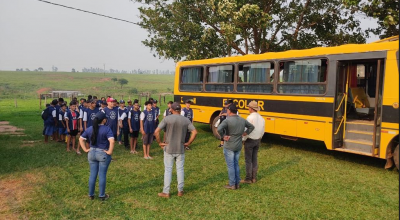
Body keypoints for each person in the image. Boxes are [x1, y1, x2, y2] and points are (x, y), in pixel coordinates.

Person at [154, 102, 197, 198]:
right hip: (180, 148)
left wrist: (160, 142)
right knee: (180, 169)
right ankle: (180, 191)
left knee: (168, 170)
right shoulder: (186, 120)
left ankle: (166, 192)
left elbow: (156, 132)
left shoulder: (167, 119)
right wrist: (188, 143)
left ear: (171, 110)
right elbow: (194, 132)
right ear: (180, 110)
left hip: (169, 148)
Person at [79, 111, 115, 201]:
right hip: (102, 153)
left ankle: (91, 194)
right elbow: (112, 141)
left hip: (91, 153)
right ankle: (102, 195)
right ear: (104, 120)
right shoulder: (107, 129)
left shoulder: (90, 128)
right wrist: (110, 151)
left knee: (92, 174)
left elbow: (81, 139)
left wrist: (85, 149)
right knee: (102, 175)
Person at [217, 104, 254, 190]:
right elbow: (251, 127)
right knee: (236, 164)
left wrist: (223, 136)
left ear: (229, 111)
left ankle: (232, 184)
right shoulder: (242, 120)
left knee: (230, 166)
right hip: (238, 145)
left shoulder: (227, 120)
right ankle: (237, 183)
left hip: (229, 145)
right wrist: (245, 133)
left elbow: (219, 129)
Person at [241, 101, 265, 184]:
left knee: (248, 160)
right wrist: (259, 138)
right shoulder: (262, 118)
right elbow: (262, 131)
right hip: (257, 140)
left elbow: (246, 131)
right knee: (254, 159)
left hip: (250, 140)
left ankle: (248, 178)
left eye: (248, 107)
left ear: (251, 109)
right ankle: (254, 177)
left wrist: (243, 139)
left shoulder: (250, 118)